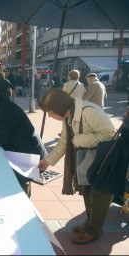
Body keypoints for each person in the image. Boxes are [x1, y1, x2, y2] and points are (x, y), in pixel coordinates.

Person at [38, 88, 116, 244]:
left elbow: (110, 135)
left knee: (98, 195)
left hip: (104, 162)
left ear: (59, 107)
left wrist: (79, 140)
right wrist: (48, 160)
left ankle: (94, 230)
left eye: (51, 112)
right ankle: (90, 224)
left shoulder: (89, 111)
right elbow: (64, 142)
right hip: (90, 161)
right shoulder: (69, 115)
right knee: (87, 191)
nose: (50, 116)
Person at [0, 89, 47, 197]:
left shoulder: (2, 111)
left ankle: (24, 203)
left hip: (27, 152)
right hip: (21, 149)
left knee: (22, 181)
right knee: (20, 180)